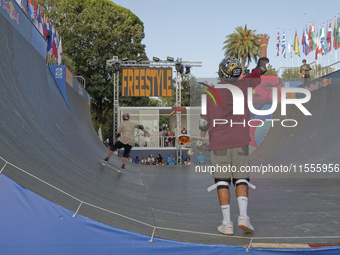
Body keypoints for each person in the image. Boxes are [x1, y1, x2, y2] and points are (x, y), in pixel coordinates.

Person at [200, 34, 270, 236]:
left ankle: (227, 223)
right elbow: (263, 66)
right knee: (242, 179)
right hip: (240, 143)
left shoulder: (210, 92)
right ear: (238, 73)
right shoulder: (244, 84)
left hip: (219, 144)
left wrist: (204, 135)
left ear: (221, 73)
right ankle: (244, 217)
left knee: (222, 181)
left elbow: (204, 123)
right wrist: (263, 44)